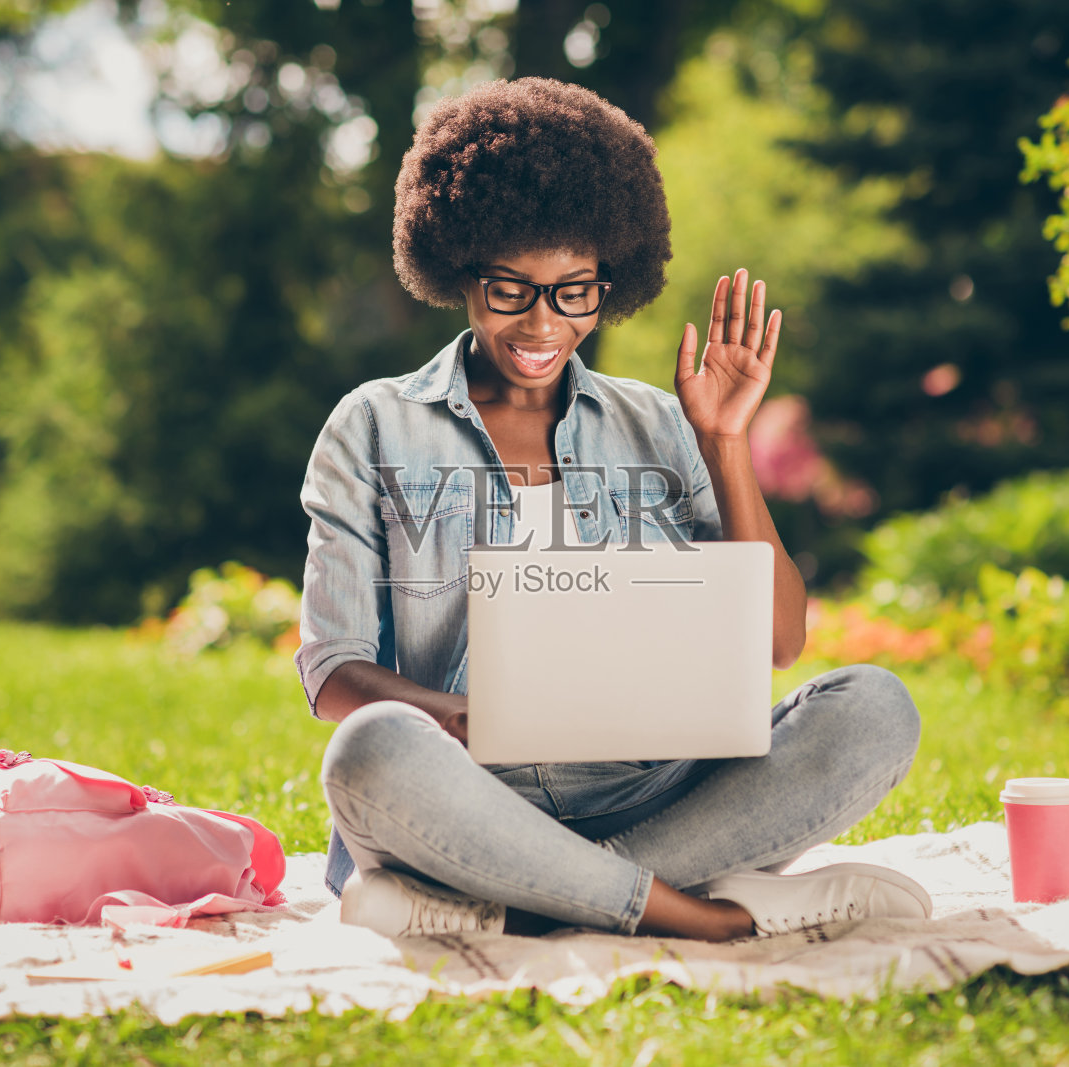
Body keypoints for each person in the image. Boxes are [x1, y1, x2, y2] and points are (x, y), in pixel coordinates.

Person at [296, 78, 926, 941]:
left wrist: (724, 442)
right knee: (370, 749)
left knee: (876, 706)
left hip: (652, 791)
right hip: (469, 793)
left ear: (608, 283)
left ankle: (523, 901)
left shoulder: (663, 423)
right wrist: (455, 715)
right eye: (510, 289)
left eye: (574, 290)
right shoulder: (374, 423)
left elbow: (779, 641)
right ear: (459, 269)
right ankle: (700, 914)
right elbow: (333, 670)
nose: (542, 323)